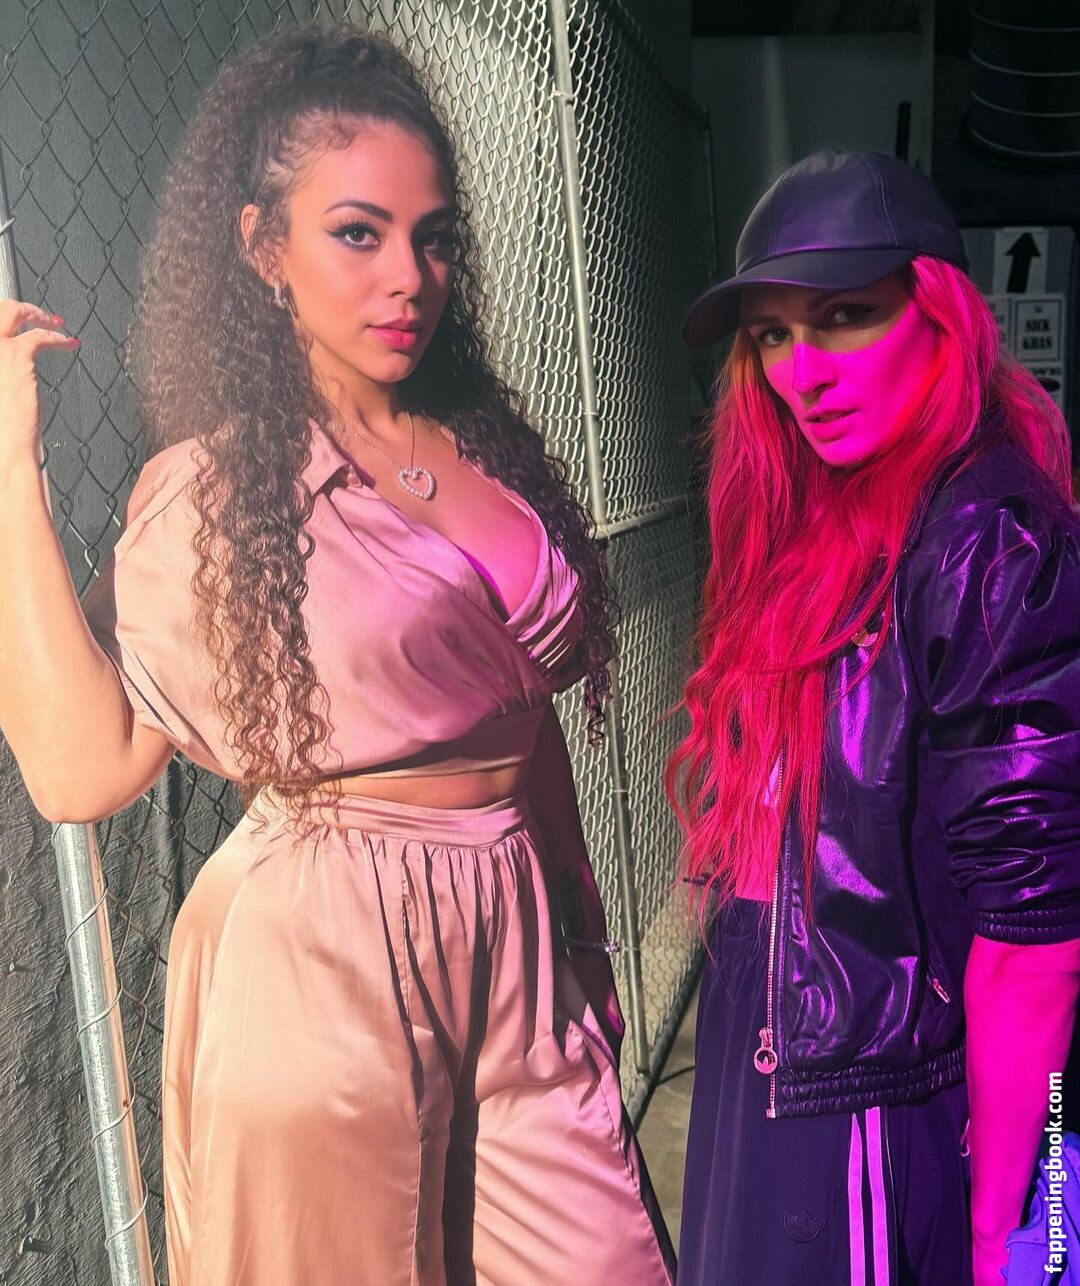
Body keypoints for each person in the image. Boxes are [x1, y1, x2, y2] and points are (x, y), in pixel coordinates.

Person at [0, 24, 675, 1286]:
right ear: (264, 248)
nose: (408, 276)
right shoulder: (217, 495)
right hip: (325, 969)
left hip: (520, 956)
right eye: (357, 233)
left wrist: (577, 946)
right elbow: (81, 768)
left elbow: (522, 733)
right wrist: (6, 466)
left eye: (433, 237)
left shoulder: (484, 445)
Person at [669, 147, 1080, 1286]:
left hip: (870, 1099)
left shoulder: (987, 538)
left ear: (937, 313)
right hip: (781, 1061)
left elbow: (1037, 939)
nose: (803, 373)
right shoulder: (822, 519)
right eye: (772, 335)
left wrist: (1007, 1224)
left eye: (846, 315)